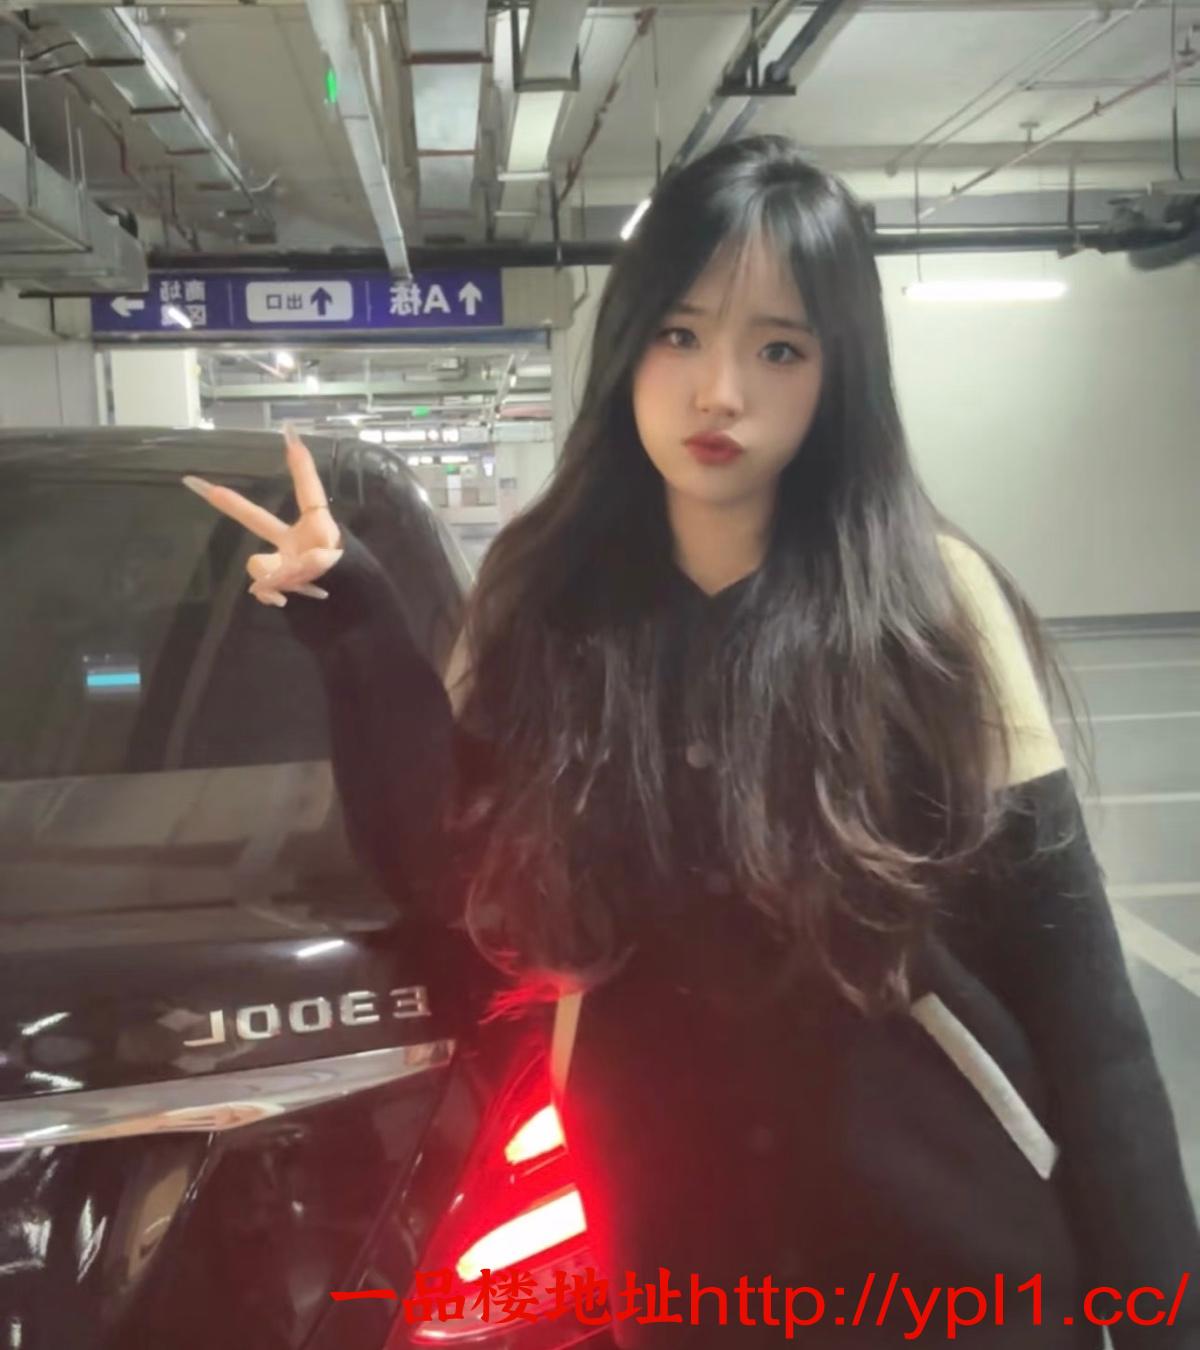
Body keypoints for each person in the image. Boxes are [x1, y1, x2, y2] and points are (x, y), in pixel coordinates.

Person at [181, 135, 1198, 1347]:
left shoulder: (929, 607)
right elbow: (446, 867)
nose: (721, 391)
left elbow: (1087, 1016)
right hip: (682, 1265)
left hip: (959, 1272)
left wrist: (1163, 1312)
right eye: (681, 333)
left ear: (839, 376)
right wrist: (355, 620)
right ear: (629, 345)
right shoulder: (546, 604)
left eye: (780, 349)